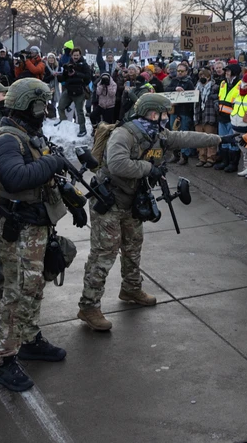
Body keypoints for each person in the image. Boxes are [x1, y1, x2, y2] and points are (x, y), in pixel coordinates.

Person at [77, 93, 233, 331]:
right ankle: (89, 307)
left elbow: (184, 137)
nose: (166, 118)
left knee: (133, 247)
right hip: (110, 201)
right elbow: (118, 164)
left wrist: (218, 139)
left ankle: (131, 289)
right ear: (152, 113)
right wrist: (149, 168)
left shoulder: (157, 134)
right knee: (103, 255)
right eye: (163, 114)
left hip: (132, 201)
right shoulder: (124, 134)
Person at [0, 78, 69, 392]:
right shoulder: (7, 139)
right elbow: (17, 178)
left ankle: (30, 339)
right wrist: (52, 161)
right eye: (42, 105)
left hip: (36, 225)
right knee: (17, 293)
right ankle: (3, 361)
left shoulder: (27, 135)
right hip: (18, 230)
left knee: (32, 286)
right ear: (29, 106)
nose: (45, 110)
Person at [166, 62, 198, 165]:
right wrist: (175, 89)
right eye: (178, 71)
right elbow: (167, 90)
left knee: (184, 135)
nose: (179, 73)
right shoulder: (174, 81)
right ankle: (175, 154)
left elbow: (192, 97)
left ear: (186, 72)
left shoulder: (189, 82)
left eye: (182, 71)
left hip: (184, 112)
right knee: (173, 133)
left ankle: (184, 156)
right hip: (174, 111)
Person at [57, 48, 92, 136]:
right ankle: (64, 124)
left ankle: (82, 129)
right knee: (60, 107)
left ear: (80, 55)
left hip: (79, 91)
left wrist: (76, 74)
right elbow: (64, 78)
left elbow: (88, 77)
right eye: (74, 55)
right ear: (71, 55)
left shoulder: (84, 65)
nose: (76, 57)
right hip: (69, 90)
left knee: (79, 111)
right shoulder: (69, 64)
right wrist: (63, 74)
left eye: (77, 55)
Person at [214, 62, 242, 172]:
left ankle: (233, 164)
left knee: (233, 142)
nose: (226, 73)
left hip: (233, 117)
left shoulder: (240, 84)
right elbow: (221, 96)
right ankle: (224, 162)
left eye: (228, 71)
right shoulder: (223, 83)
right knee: (223, 141)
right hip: (222, 116)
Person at [194, 68, 219, 167]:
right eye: (200, 76)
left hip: (209, 115)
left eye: (204, 76)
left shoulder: (214, 87)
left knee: (210, 138)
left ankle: (211, 158)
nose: (202, 78)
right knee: (200, 139)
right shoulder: (196, 87)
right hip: (199, 115)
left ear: (209, 77)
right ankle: (202, 157)